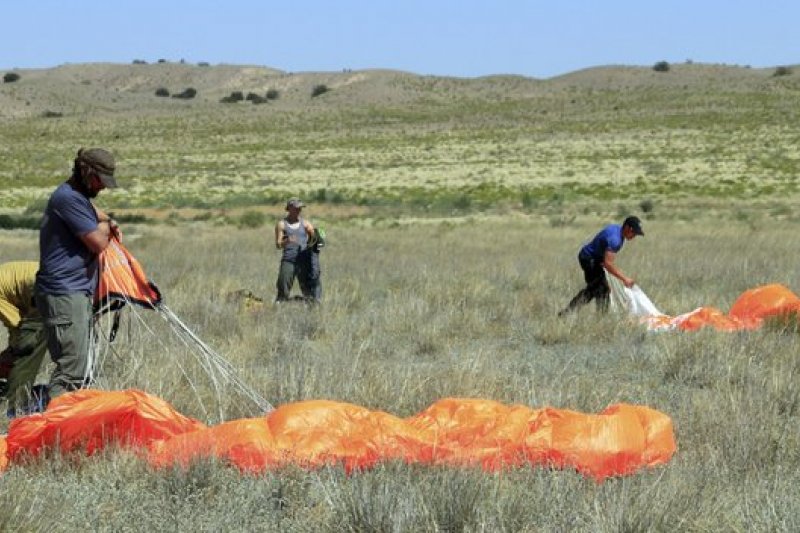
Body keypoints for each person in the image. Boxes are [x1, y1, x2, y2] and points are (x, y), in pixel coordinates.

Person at [35, 147, 119, 401]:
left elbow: (97, 216)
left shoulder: (76, 199)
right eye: (99, 180)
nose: (102, 187)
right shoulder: (68, 198)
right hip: (64, 294)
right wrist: (106, 226)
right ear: (85, 171)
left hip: (74, 293)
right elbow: (98, 243)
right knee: (71, 373)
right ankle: (55, 434)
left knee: (84, 368)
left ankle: (69, 429)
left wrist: (106, 221)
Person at [560, 216, 644, 315]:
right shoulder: (615, 240)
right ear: (627, 228)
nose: (634, 236)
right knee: (599, 291)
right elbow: (608, 263)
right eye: (633, 232)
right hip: (589, 259)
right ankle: (572, 314)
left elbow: (605, 259)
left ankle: (569, 313)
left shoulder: (616, 229)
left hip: (594, 259)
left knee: (598, 290)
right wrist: (625, 279)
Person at [0, 261, 49, 413]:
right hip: (56, 281)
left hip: (44, 286)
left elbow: (16, 324)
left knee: (27, 346)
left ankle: (12, 408)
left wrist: (12, 352)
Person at [274, 198, 322, 302]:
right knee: (283, 285)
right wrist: (286, 241)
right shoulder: (281, 224)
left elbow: (317, 239)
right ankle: (280, 305)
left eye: (300, 208)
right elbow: (278, 244)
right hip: (288, 260)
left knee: (308, 289)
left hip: (303, 261)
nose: (299, 210)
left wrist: (315, 236)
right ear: (290, 208)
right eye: (296, 208)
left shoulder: (305, 223)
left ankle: (312, 307)